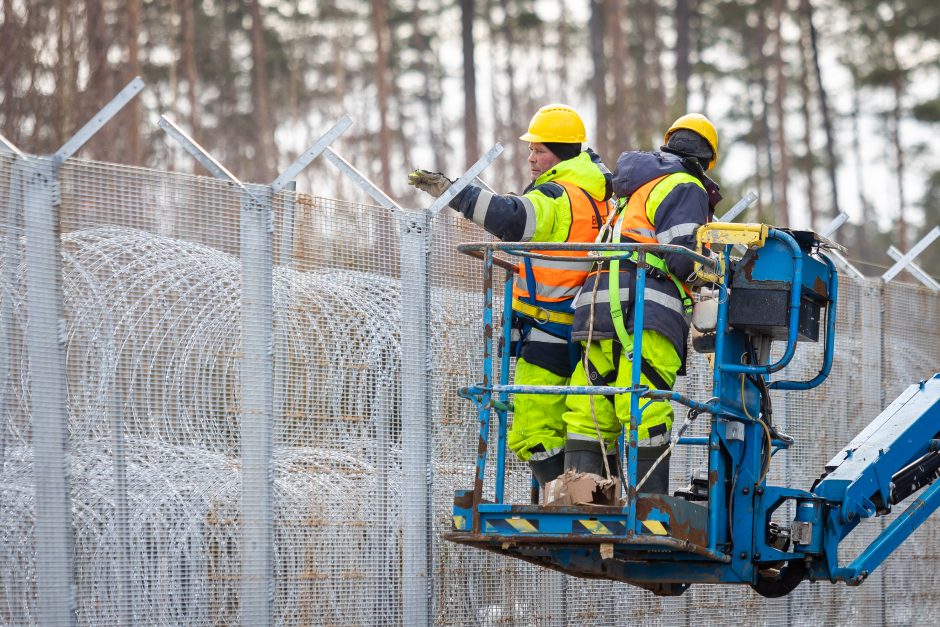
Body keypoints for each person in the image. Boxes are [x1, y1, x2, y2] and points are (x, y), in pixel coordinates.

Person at [408, 104, 614, 489]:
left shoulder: (559, 196)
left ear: (563, 152)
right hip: (588, 327)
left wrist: (454, 192)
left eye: (540, 151)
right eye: (531, 151)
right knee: (584, 418)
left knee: (532, 428)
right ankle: (592, 493)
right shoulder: (600, 195)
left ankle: (566, 501)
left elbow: (512, 218)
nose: (532, 159)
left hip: (551, 327)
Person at [561, 113, 722, 493]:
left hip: (597, 305)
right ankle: (648, 511)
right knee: (644, 408)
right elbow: (682, 256)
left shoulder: (634, 186)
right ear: (708, 159)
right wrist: (714, 275)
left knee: (590, 410)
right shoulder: (685, 185)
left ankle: (584, 503)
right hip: (646, 308)